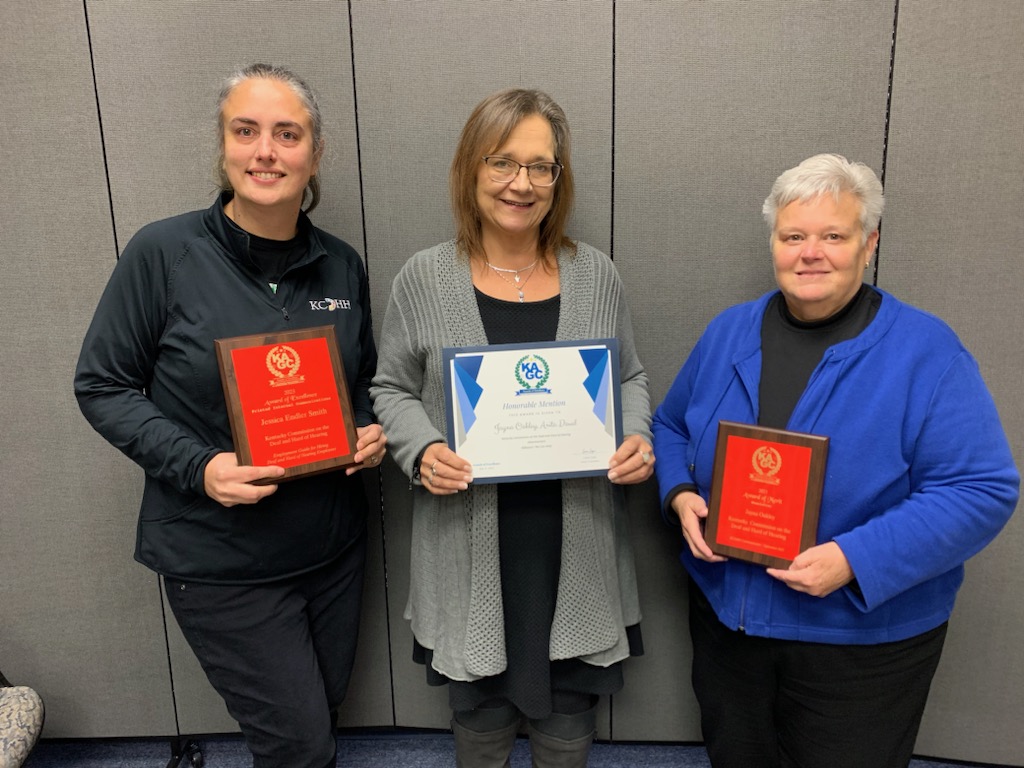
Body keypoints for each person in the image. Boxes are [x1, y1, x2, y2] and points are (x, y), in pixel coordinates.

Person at [652, 153, 1019, 768]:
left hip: (856, 644)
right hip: (729, 629)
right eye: (793, 236)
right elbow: (668, 424)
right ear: (774, 243)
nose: (810, 252)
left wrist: (855, 558)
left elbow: (980, 489)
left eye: (833, 236)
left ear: (868, 244)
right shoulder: (728, 332)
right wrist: (679, 492)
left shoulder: (927, 352)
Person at [74, 63, 385, 768]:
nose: (265, 151)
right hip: (221, 561)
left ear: (315, 152)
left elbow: (362, 378)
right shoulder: (163, 254)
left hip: (332, 550)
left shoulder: (341, 265)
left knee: (317, 714)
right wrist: (201, 465)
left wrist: (368, 427)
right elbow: (102, 384)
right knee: (302, 749)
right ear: (223, 146)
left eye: (287, 133)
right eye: (245, 131)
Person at [370, 88, 653, 767]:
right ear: (472, 170)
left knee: (567, 724)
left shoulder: (596, 276)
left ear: (559, 179)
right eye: (502, 162)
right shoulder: (424, 278)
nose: (521, 184)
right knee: (483, 724)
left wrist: (637, 436)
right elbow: (390, 388)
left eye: (540, 166)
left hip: (574, 540)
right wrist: (423, 449)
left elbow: (631, 379)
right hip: (468, 545)